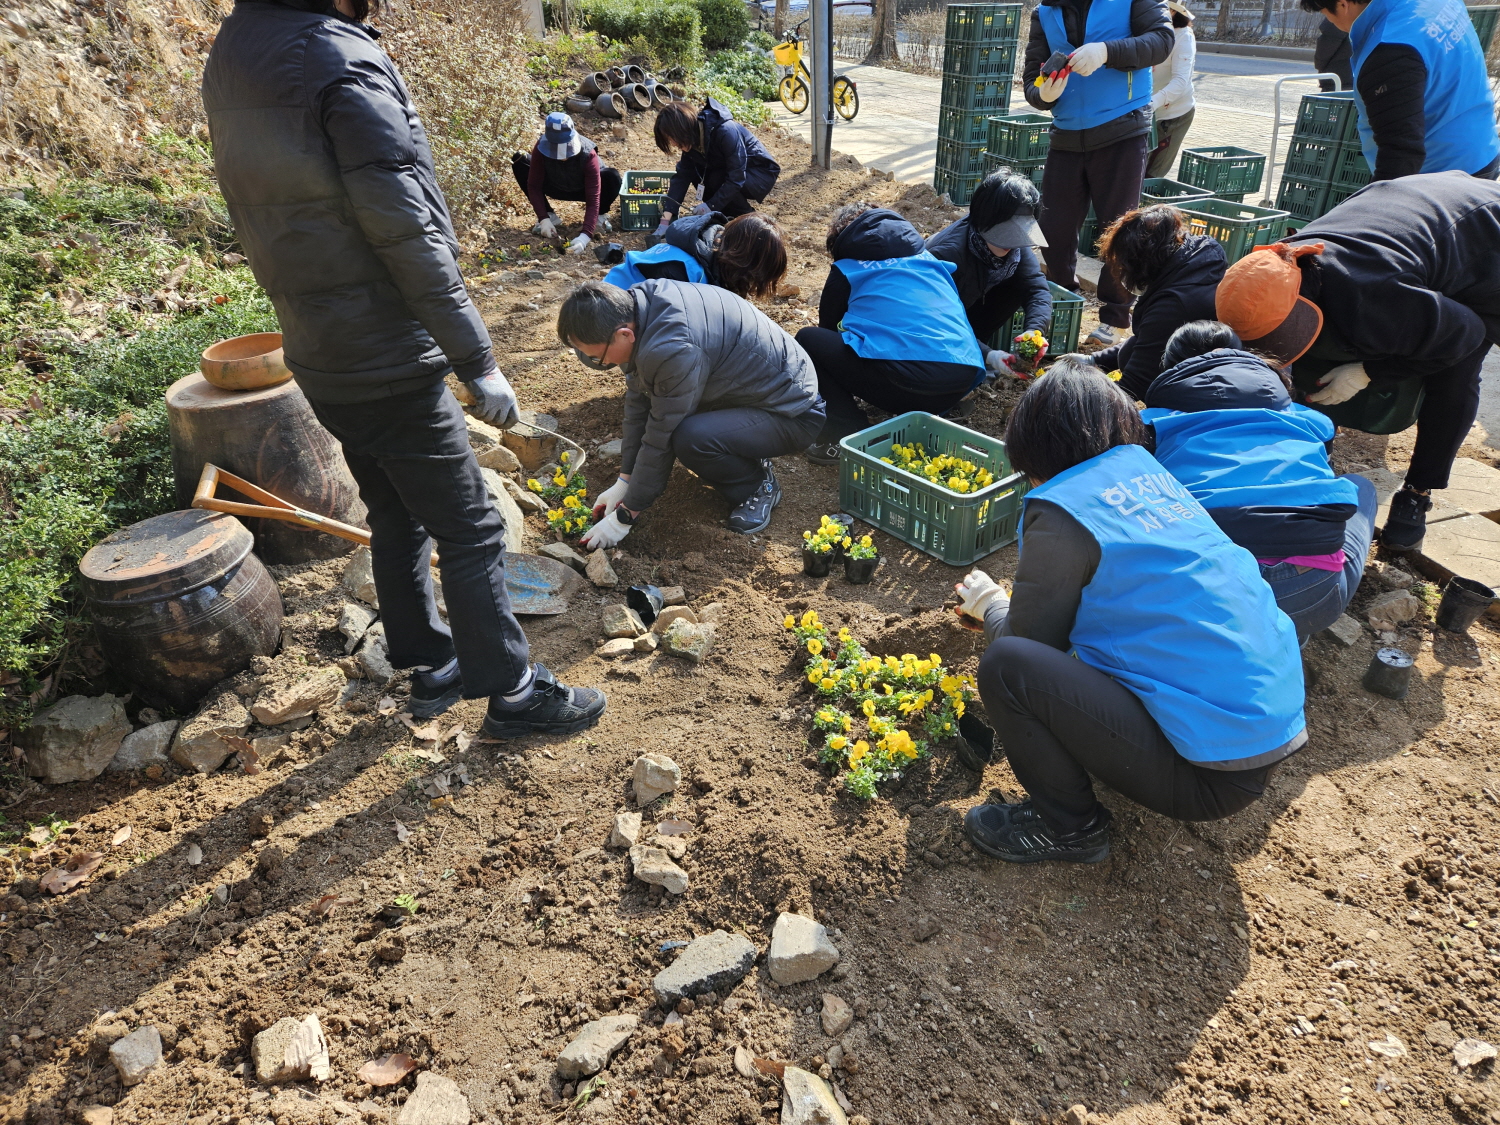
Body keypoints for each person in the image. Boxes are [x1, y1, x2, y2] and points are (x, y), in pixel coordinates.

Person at [203, 0, 606, 738]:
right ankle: (515, 694)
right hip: (385, 350)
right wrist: (477, 360)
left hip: (317, 348)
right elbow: (406, 228)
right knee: (474, 525)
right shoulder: (337, 58)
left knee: (394, 512)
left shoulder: (236, 49)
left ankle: (431, 661)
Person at [954, 359, 1306, 864]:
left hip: (1209, 777)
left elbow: (1027, 645)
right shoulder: (1147, 473)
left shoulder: (1063, 510)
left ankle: (1070, 828)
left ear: (1033, 445)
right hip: (1265, 727)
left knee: (1007, 669)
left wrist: (990, 604)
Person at [1215, 173, 1500, 550]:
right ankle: (1315, 453)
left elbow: (1466, 334)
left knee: (1455, 371)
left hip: (1486, 242)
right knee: (1312, 357)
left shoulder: (1373, 295)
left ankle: (1417, 493)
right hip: (1414, 217)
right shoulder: (1268, 268)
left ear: (1307, 303)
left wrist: (1369, 372)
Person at [1143, 321, 1377, 642]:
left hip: (1202, 587)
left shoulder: (1152, 423)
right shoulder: (1307, 417)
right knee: (1361, 487)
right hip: (1311, 589)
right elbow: (1324, 465)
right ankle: (1290, 636)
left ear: (1171, 368)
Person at [557, 279, 824, 542]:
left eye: (597, 358)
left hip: (793, 412)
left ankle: (756, 486)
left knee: (690, 438)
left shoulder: (672, 348)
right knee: (678, 413)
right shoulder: (639, 307)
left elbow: (661, 434)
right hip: (752, 390)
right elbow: (640, 401)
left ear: (625, 335)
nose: (599, 364)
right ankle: (746, 449)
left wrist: (627, 514)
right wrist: (625, 480)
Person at [1020, 0, 1175, 346]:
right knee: (1053, 230)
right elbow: (1032, 78)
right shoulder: (1045, 12)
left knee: (1120, 230)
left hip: (1122, 127)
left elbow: (1162, 41)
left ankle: (1115, 318)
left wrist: (1106, 52)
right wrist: (1043, 93)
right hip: (1066, 134)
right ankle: (1062, 303)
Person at [794, 203, 985, 465]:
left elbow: (827, 330)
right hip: (962, 378)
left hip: (912, 385)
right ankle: (930, 410)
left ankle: (841, 432)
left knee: (808, 340)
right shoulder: (929, 260)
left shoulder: (847, 269)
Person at [1296, 0, 1500, 181]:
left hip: (1441, 176)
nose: (1330, 21)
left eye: (1325, 13)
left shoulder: (1390, 49)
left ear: (1342, 4)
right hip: (1481, 145)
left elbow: (1400, 156)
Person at [1084, 204, 1225, 398]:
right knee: (1128, 350)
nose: (1122, 272)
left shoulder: (1173, 306)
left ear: (1141, 263)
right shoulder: (1198, 257)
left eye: (1124, 266)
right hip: (1209, 362)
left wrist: (1081, 395)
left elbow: (1135, 384)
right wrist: (1093, 360)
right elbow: (1150, 340)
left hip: (1196, 390)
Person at [925, 169, 1053, 378]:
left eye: (1018, 234)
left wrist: (1034, 331)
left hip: (971, 311)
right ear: (983, 220)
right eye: (1005, 234)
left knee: (1019, 284)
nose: (1011, 244)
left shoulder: (1015, 249)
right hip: (931, 323)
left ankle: (977, 347)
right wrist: (988, 355)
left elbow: (1036, 289)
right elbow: (937, 320)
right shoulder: (947, 255)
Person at [651, 100, 781, 240]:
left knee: (716, 179)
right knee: (697, 174)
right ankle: (724, 217)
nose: (673, 144)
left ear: (682, 129)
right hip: (730, 172)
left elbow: (736, 177)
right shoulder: (692, 139)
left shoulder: (725, 131)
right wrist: (665, 220)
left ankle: (749, 219)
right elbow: (681, 178)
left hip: (759, 172)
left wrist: (710, 205)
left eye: (672, 138)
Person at [603, 211, 788, 299]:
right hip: (607, 315)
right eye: (754, 277)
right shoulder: (685, 273)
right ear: (742, 263)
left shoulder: (710, 250)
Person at [511, 112, 622, 255]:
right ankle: (550, 216)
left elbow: (593, 196)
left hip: (583, 189)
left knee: (612, 176)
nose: (562, 157)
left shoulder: (588, 154)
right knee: (519, 160)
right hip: (555, 185)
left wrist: (585, 236)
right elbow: (534, 185)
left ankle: (598, 217)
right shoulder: (540, 148)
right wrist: (543, 218)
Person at [1145, 0, 1197, 179]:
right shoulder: (1149, 30)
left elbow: (1180, 82)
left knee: (1152, 174)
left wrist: (1151, 103)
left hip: (1173, 115)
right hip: (1148, 111)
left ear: (1173, 12)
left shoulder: (1183, 36)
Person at [1313, 16, 1352, 91]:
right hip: (1353, 79)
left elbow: (1322, 55)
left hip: (1337, 80)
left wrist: (1319, 66)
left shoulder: (1337, 19)